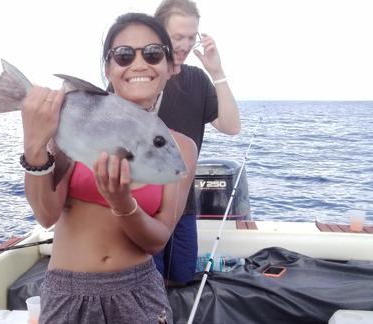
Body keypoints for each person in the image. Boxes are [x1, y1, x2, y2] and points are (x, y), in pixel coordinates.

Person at [20, 13, 197, 324]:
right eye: (124, 55)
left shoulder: (180, 147)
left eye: (153, 54)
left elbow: (158, 239)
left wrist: (123, 204)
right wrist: (34, 146)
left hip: (139, 294)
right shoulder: (76, 125)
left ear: (170, 67)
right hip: (66, 294)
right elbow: (47, 215)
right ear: (108, 68)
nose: (139, 64)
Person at [152, 0, 241, 286]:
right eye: (178, 37)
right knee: (147, 282)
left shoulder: (198, 80)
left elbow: (231, 126)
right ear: (159, 32)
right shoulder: (139, 75)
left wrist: (217, 72)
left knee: (180, 277)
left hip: (183, 206)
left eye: (192, 37)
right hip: (142, 205)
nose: (186, 44)